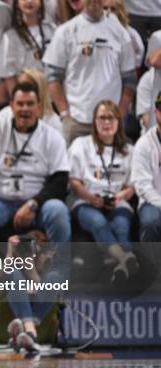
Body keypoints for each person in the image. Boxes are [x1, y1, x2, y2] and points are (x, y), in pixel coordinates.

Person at [0, 82, 71, 246]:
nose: (25, 109)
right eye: (20, 104)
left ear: (39, 107)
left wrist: (34, 203)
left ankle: (59, 270)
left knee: (58, 210)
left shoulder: (52, 136)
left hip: (38, 202)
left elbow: (61, 180)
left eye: (30, 104)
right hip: (1, 201)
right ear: (11, 106)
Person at [43, 0, 137, 143]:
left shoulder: (120, 32)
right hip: (76, 121)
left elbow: (130, 79)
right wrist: (64, 113)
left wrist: (120, 113)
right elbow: (53, 76)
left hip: (110, 121)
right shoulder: (66, 31)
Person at [68, 100, 137, 283]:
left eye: (111, 118)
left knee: (122, 226)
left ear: (118, 121)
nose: (106, 122)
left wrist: (119, 197)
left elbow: (132, 186)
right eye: (102, 118)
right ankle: (125, 259)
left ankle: (119, 273)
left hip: (118, 201)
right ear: (94, 121)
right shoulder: (80, 145)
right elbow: (74, 182)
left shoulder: (129, 150)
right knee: (98, 222)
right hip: (86, 201)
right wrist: (91, 198)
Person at [0, 0, 56, 96]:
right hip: (27, 97)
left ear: (41, 2)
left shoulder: (52, 30)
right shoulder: (10, 36)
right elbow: (8, 75)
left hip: (52, 95)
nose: (29, 1)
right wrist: (17, 100)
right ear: (17, 4)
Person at [132, 91, 161, 242]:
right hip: (151, 203)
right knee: (151, 222)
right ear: (156, 113)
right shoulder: (144, 144)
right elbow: (142, 186)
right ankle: (150, 265)